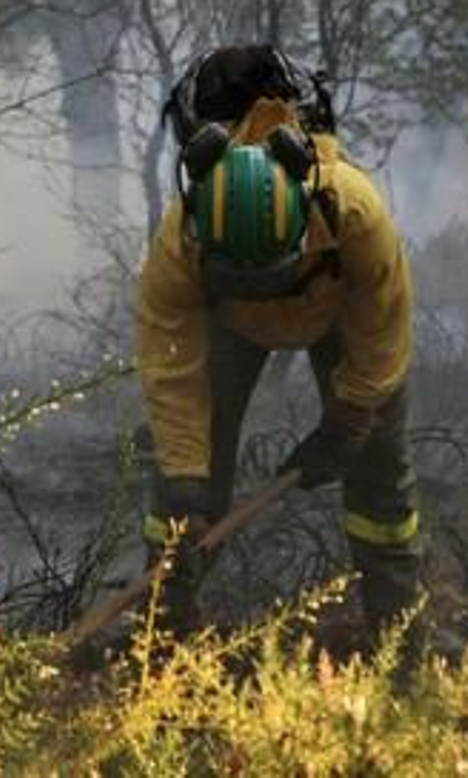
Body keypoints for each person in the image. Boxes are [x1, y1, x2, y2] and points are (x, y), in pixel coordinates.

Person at [134, 44, 424, 646]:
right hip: (229, 329)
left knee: (378, 472)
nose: (262, 290)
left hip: (336, 318)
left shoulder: (354, 210)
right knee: (182, 489)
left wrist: (349, 417)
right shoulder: (178, 243)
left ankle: (399, 636)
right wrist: (187, 472)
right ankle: (161, 640)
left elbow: (382, 327)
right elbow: (172, 371)